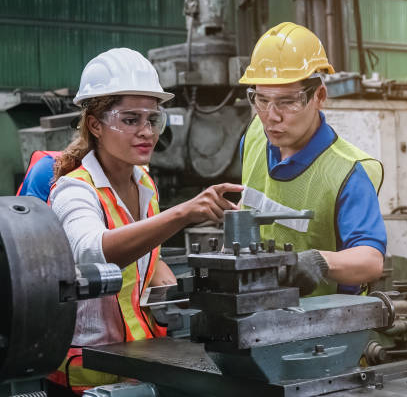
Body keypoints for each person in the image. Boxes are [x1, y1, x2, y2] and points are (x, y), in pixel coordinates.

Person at [47, 48, 243, 394]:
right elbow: (92, 253)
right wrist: (183, 212)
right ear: (95, 124)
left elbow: (147, 255)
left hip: (140, 364)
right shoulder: (74, 191)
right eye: (130, 119)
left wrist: (173, 284)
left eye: (152, 119)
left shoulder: (144, 182)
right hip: (88, 377)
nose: (146, 131)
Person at [238, 22, 386, 296]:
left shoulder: (349, 171)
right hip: (256, 307)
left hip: (325, 322)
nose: (272, 116)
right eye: (261, 100)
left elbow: (371, 260)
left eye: (287, 102)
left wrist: (320, 261)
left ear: (319, 96)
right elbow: (247, 202)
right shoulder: (254, 137)